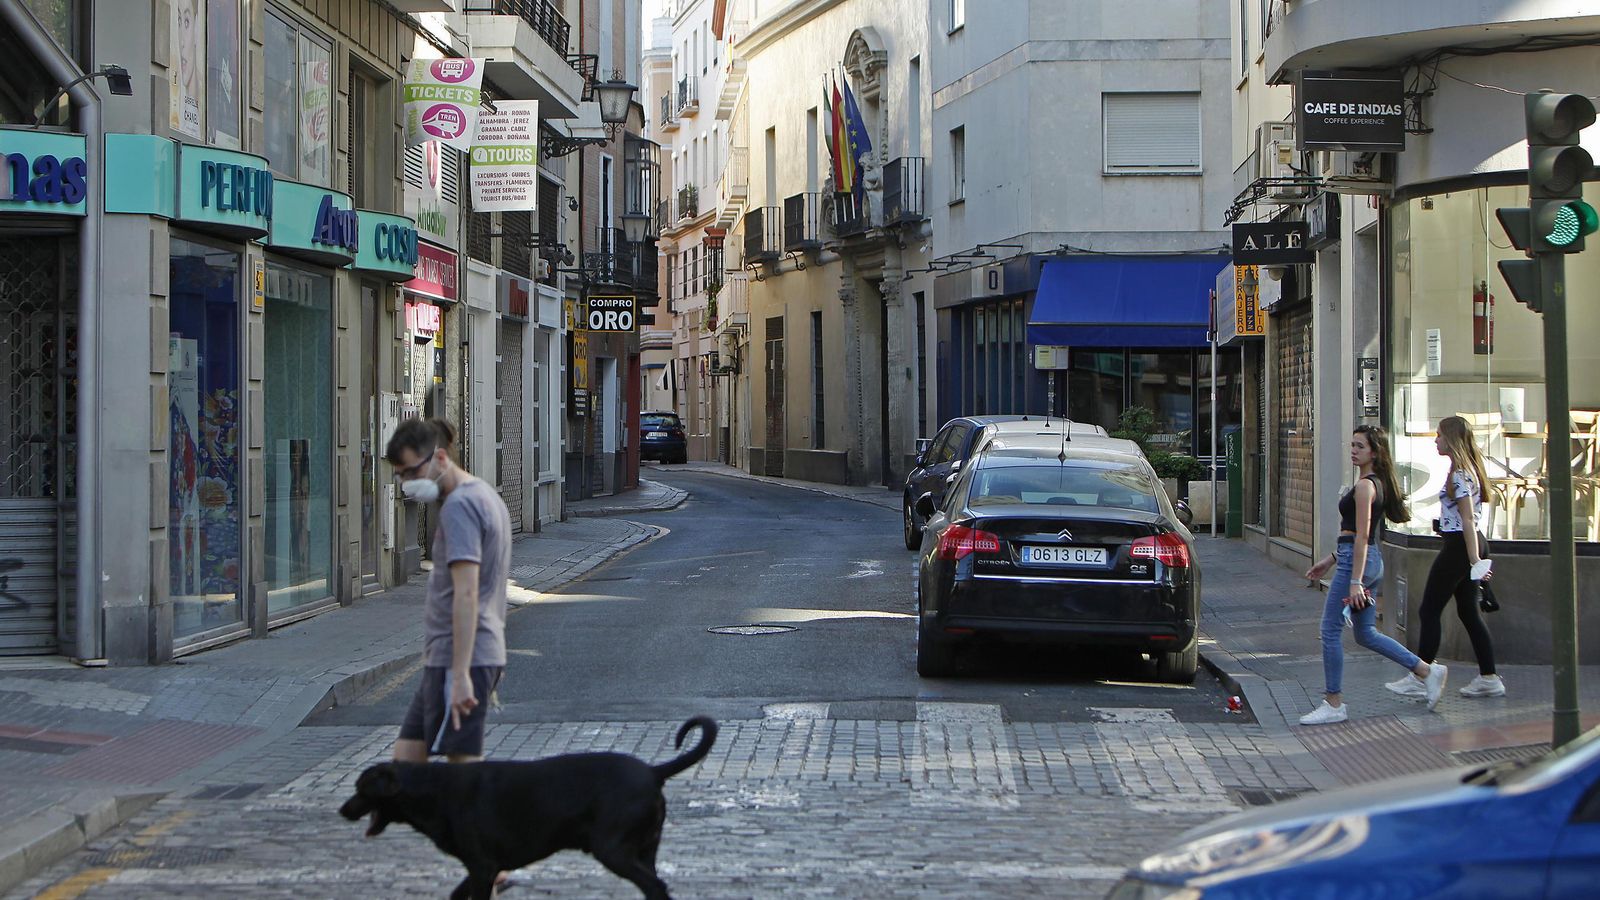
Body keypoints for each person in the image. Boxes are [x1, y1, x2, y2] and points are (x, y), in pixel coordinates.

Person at [1300, 425, 1449, 725]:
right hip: (1358, 561)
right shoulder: (1373, 483)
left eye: (1360, 447)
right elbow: (1355, 537)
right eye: (1352, 445)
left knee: (1330, 630)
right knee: (1365, 633)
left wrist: (1355, 581)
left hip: (1357, 566)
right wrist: (1329, 560)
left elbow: (1362, 537)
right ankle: (1425, 670)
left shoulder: (1367, 486)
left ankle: (1334, 702)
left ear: (1375, 452)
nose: (1353, 451)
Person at [384, 418, 512, 763]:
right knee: (406, 764)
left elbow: (467, 594)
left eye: (410, 472)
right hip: (452, 656)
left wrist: (460, 677)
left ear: (440, 458)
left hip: (463, 659)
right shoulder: (483, 494)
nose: (406, 484)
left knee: (463, 780)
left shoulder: (460, 507)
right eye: (400, 475)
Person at [1387, 415, 1504, 700]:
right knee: (1468, 612)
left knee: (1429, 610)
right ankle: (1488, 677)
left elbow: (1466, 519)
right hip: (1463, 545)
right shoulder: (1466, 470)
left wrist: (1474, 559)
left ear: (1450, 438)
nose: (1435, 440)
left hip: (1459, 548)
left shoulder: (1461, 474)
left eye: (1438, 435)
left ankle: (1421, 675)